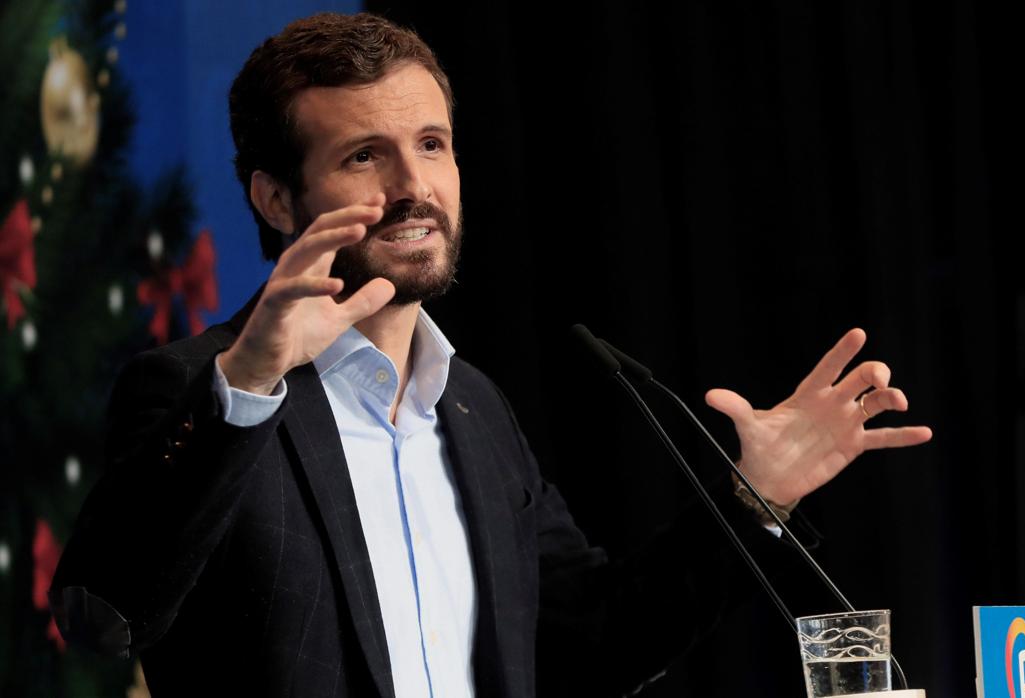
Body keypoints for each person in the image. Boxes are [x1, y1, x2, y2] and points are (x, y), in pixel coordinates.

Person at [50, 12, 932, 698]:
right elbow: (103, 615)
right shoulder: (202, 388)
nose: (414, 188)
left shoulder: (471, 410)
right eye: (365, 155)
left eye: (432, 145)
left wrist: (753, 499)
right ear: (276, 199)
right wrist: (246, 383)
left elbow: (593, 647)